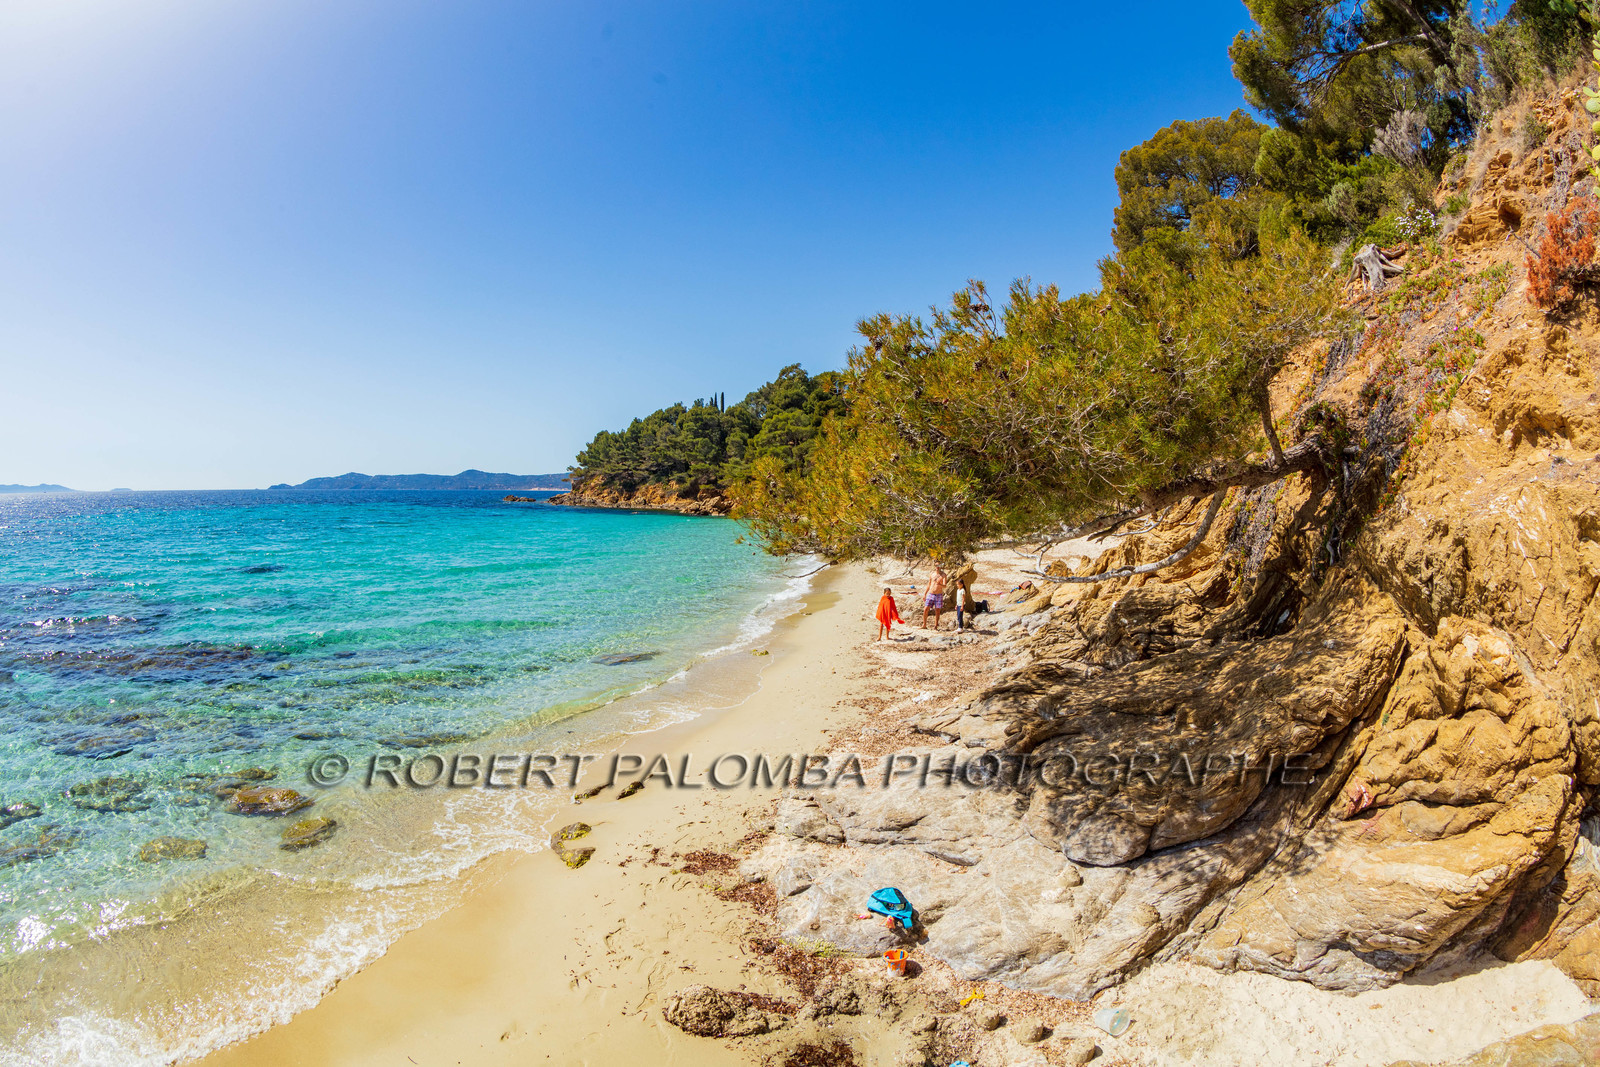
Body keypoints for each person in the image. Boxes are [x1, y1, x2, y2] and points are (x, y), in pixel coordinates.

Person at [922, 564, 948, 630]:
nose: (938, 567)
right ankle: (924, 625)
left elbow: (945, 586)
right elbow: (929, 584)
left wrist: (940, 584)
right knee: (926, 609)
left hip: (938, 594)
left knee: (937, 610)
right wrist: (925, 593)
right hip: (931, 593)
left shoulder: (943, 575)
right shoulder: (932, 574)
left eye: (939, 565)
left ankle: (936, 626)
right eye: (936, 565)